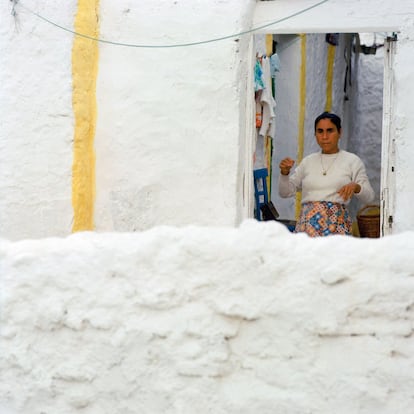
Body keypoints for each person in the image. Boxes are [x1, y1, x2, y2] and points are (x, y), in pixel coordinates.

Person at [278, 111, 375, 237]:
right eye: (320, 131)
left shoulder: (352, 161)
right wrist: (284, 174)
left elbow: (369, 197)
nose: (324, 136)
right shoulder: (308, 161)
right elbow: (285, 192)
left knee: (333, 257)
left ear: (339, 132)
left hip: (337, 229)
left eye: (330, 131)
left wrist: (356, 187)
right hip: (307, 229)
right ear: (315, 134)